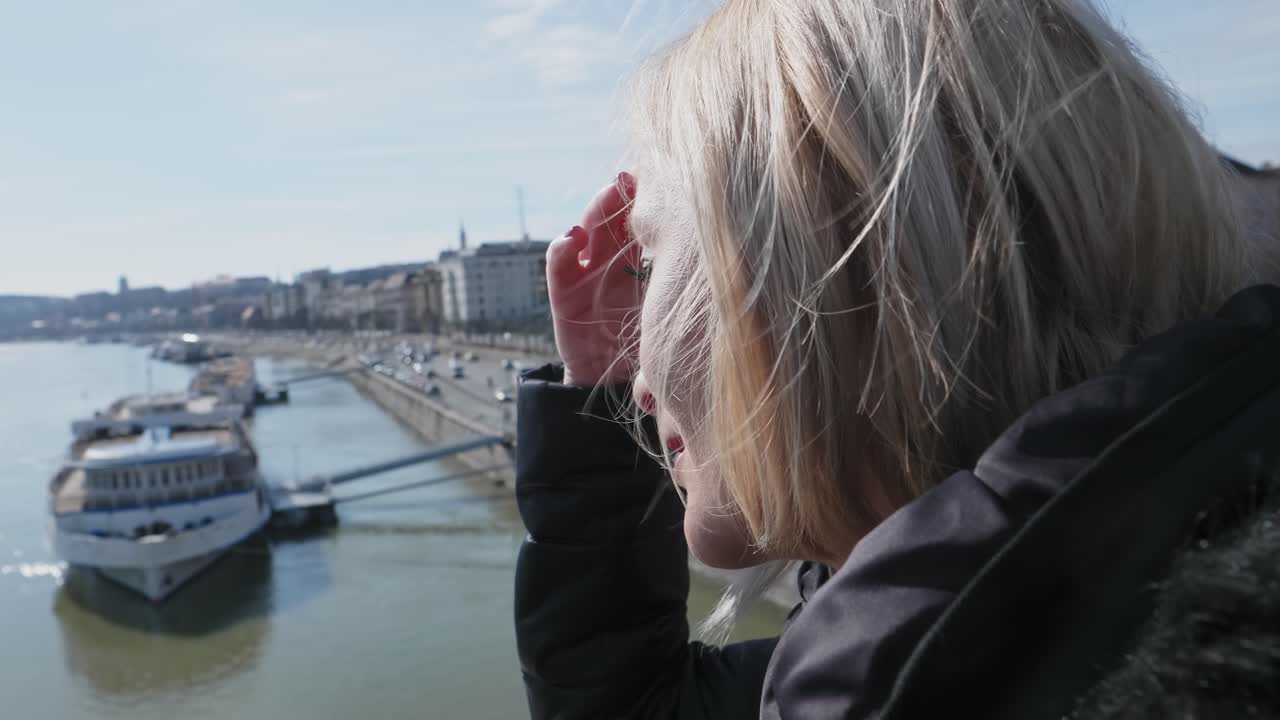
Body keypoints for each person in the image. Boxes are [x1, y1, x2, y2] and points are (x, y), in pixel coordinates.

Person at [513, 0, 1280, 718]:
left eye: (647, 264)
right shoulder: (1043, 624)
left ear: (825, 280)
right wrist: (594, 392)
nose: (637, 377)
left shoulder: (928, 659)